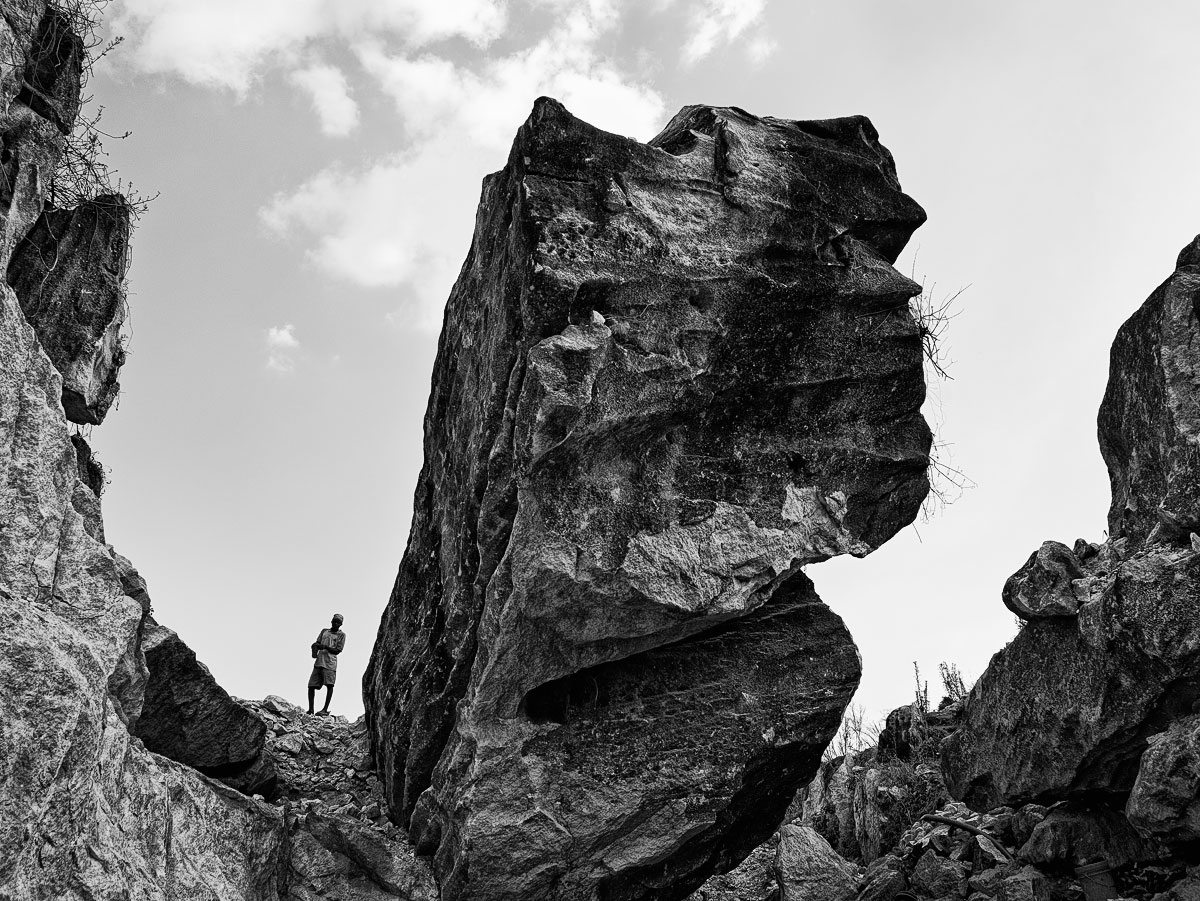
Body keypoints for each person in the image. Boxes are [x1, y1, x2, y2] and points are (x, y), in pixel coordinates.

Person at [308, 614, 346, 715]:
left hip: (330, 663)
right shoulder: (324, 631)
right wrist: (315, 647)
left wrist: (325, 647)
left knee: (329, 685)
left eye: (338, 622)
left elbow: (338, 650)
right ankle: (311, 709)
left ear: (341, 624)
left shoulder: (341, 635)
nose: (336, 623)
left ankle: (325, 709)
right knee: (311, 685)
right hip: (319, 662)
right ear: (331, 621)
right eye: (334, 621)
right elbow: (317, 642)